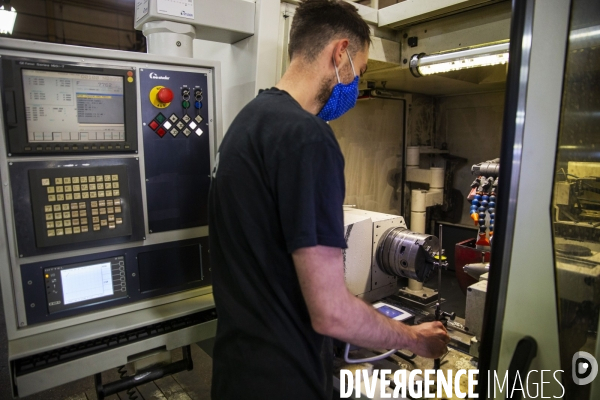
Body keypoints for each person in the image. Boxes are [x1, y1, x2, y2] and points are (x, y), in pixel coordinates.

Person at [208, 0, 449, 398]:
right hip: (284, 383)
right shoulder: (308, 138)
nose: (356, 85)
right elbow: (331, 311)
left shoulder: (246, 124)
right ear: (340, 54)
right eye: (361, 70)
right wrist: (414, 338)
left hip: (236, 374)